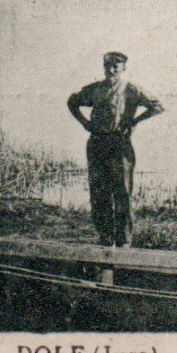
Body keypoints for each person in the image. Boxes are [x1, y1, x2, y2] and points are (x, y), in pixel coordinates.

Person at [67, 51, 163, 247]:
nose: (111, 70)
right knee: (99, 192)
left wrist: (134, 121)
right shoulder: (96, 89)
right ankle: (105, 237)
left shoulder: (131, 89)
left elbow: (157, 106)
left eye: (115, 67)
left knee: (122, 192)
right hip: (97, 144)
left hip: (119, 144)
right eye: (107, 66)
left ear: (123, 68)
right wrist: (86, 123)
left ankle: (124, 241)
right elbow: (73, 102)